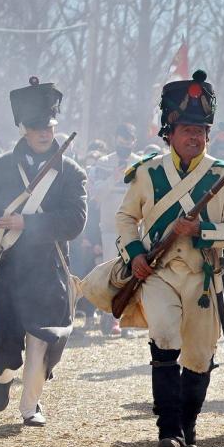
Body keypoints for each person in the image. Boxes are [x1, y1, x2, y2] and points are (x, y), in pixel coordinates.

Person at [115, 70, 224, 447]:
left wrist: (202, 231)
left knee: (199, 356)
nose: (195, 136)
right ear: (170, 133)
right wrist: (136, 253)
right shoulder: (147, 173)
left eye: (201, 130)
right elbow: (126, 220)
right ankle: (168, 430)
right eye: (188, 128)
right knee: (165, 336)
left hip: (204, 277)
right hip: (160, 274)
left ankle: (187, 428)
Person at [0, 76, 87, 426]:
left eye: (49, 126)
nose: (45, 132)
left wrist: (27, 224)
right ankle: (2, 379)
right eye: (36, 127)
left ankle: (30, 407)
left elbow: (76, 221)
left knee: (43, 340)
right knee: (7, 340)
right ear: (23, 129)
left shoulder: (72, 172)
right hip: (9, 269)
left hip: (48, 269)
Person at [88, 122, 141, 336]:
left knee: (130, 275)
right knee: (110, 275)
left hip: (134, 230)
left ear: (133, 142)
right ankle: (106, 318)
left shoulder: (140, 164)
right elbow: (95, 196)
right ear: (115, 140)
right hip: (109, 229)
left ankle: (125, 319)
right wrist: (114, 178)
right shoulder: (103, 164)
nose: (124, 144)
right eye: (121, 140)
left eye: (128, 140)